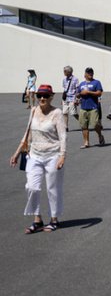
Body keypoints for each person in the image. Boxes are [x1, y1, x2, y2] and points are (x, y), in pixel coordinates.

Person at [9, 84, 66, 233]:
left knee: (52, 189)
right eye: (40, 95)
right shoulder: (33, 110)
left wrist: (62, 156)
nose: (42, 98)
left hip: (52, 155)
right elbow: (27, 134)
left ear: (51, 97)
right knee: (32, 187)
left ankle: (54, 220)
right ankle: (37, 219)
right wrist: (16, 153)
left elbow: (63, 136)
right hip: (34, 155)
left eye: (46, 96)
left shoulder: (57, 113)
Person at [77, 67, 105, 148]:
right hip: (83, 107)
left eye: (91, 72)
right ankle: (86, 142)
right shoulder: (81, 84)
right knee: (84, 126)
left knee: (95, 124)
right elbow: (78, 94)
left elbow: (99, 93)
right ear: (85, 74)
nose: (90, 74)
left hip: (93, 107)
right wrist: (80, 95)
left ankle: (100, 135)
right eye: (88, 72)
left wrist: (88, 92)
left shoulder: (96, 82)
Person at [60, 66, 79, 131]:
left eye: (65, 71)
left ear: (69, 72)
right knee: (64, 113)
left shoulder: (75, 79)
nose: (64, 72)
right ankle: (66, 127)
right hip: (65, 98)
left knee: (73, 113)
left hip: (72, 98)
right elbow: (64, 89)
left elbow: (77, 89)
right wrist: (62, 99)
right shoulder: (64, 80)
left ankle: (82, 122)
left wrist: (76, 99)